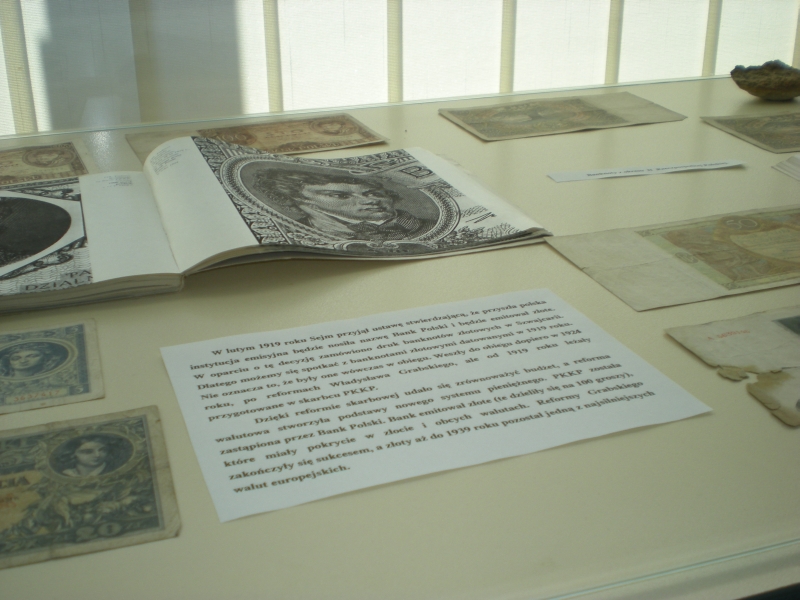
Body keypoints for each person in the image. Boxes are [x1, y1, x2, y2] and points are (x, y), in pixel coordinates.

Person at [251, 171, 436, 241]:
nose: (370, 201)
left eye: (372, 193)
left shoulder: (431, 225)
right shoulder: (297, 233)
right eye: (340, 196)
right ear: (304, 201)